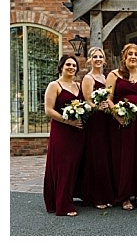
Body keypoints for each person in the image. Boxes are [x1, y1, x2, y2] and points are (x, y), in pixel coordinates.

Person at [107, 43, 137, 209]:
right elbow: (108, 98)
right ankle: (124, 196)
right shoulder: (114, 75)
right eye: (129, 54)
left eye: (136, 55)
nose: (133, 57)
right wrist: (117, 115)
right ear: (124, 57)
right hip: (121, 123)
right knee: (124, 157)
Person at [44, 55, 85, 216]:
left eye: (74, 65)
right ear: (61, 66)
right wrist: (68, 121)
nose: (71, 67)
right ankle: (63, 205)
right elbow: (49, 110)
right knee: (64, 166)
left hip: (78, 132)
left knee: (75, 165)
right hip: (62, 131)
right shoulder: (54, 85)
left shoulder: (78, 85)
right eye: (68, 64)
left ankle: (69, 196)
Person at [80, 47, 117, 209]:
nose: (98, 59)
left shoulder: (105, 76)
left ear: (104, 60)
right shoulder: (88, 78)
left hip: (107, 120)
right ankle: (97, 197)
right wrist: (98, 107)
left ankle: (108, 194)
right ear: (89, 60)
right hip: (96, 122)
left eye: (100, 56)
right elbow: (88, 101)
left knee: (107, 156)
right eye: (95, 57)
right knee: (97, 157)